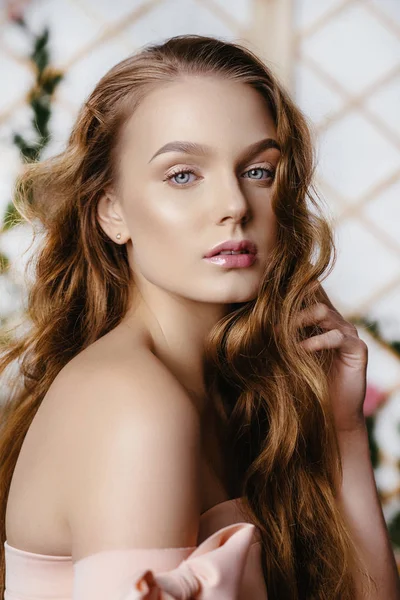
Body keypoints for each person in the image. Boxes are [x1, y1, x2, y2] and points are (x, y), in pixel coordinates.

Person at [0, 34, 397, 600]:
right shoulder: (134, 403)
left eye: (258, 171)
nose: (234, 204)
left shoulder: (229, 394)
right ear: (112, 211)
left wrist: (343, 435)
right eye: (183, 175)